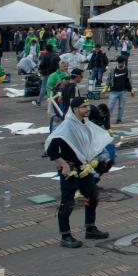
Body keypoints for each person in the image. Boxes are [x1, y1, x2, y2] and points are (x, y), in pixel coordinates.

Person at [44, 96, 113, 248]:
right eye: (84, 107)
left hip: (83, 168)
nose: (87, 109)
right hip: (70, 171)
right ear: (75, 109)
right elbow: (51, 150)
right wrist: (63, 165)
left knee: (92, 195)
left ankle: (90, 228)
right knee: (68, 203)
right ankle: (66, 236)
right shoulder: (66, 128)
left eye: (88, 106)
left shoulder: (84, 124)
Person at [106, 56, 134, 125]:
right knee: (110, 106)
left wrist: (131, 89)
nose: (120, 64)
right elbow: (109, 79)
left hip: (123, 91)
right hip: (113, 91)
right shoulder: (113, 70)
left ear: (124, 62)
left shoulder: (127, 70)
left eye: (122, 63)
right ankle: (106, 119)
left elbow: (129, 80)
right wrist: (106, 87)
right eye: (119, 63)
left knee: (121, 107)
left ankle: (119, 119)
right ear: (117, 62)